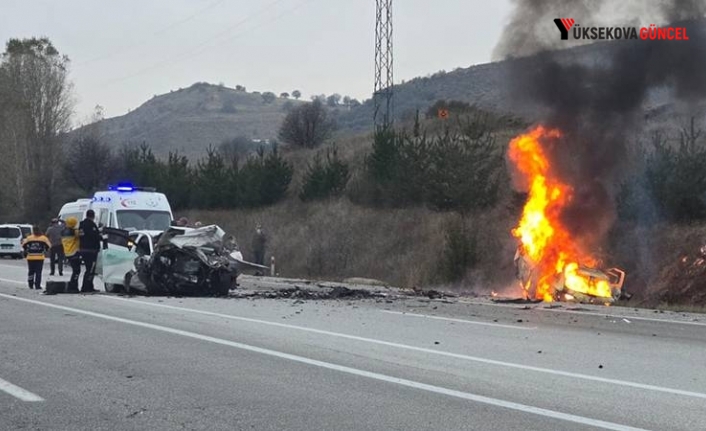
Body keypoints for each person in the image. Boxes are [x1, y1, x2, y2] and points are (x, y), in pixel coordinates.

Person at [21, 226, 51, 290]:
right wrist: (45, 250)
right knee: (38, 272)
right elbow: (49, 246)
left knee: (31, 271)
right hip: (40, 257)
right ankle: (37, 285)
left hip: (30, 257)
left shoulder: (29, 238)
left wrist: (27, 250)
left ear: (33, 231)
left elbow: (23, 245)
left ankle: (30, 284)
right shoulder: (43, 238)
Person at [78, 210, 101, 293]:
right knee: (90, 269)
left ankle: (90, 286)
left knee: (89, 269)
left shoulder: (81, 225)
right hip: (91, 250)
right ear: (93, 216)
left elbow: (81, 236)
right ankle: (85, 287)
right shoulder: (91, 225)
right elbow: (94, 236)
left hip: (83, 249)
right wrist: (101, 237)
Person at [61, 217, 81, 292]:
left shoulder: (63, 231)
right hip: (74, 253)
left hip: (67, 253)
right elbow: (81, 235)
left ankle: (72, 286)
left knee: (75, 270)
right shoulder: (74, 232)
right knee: (76, 271)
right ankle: (73, 287)